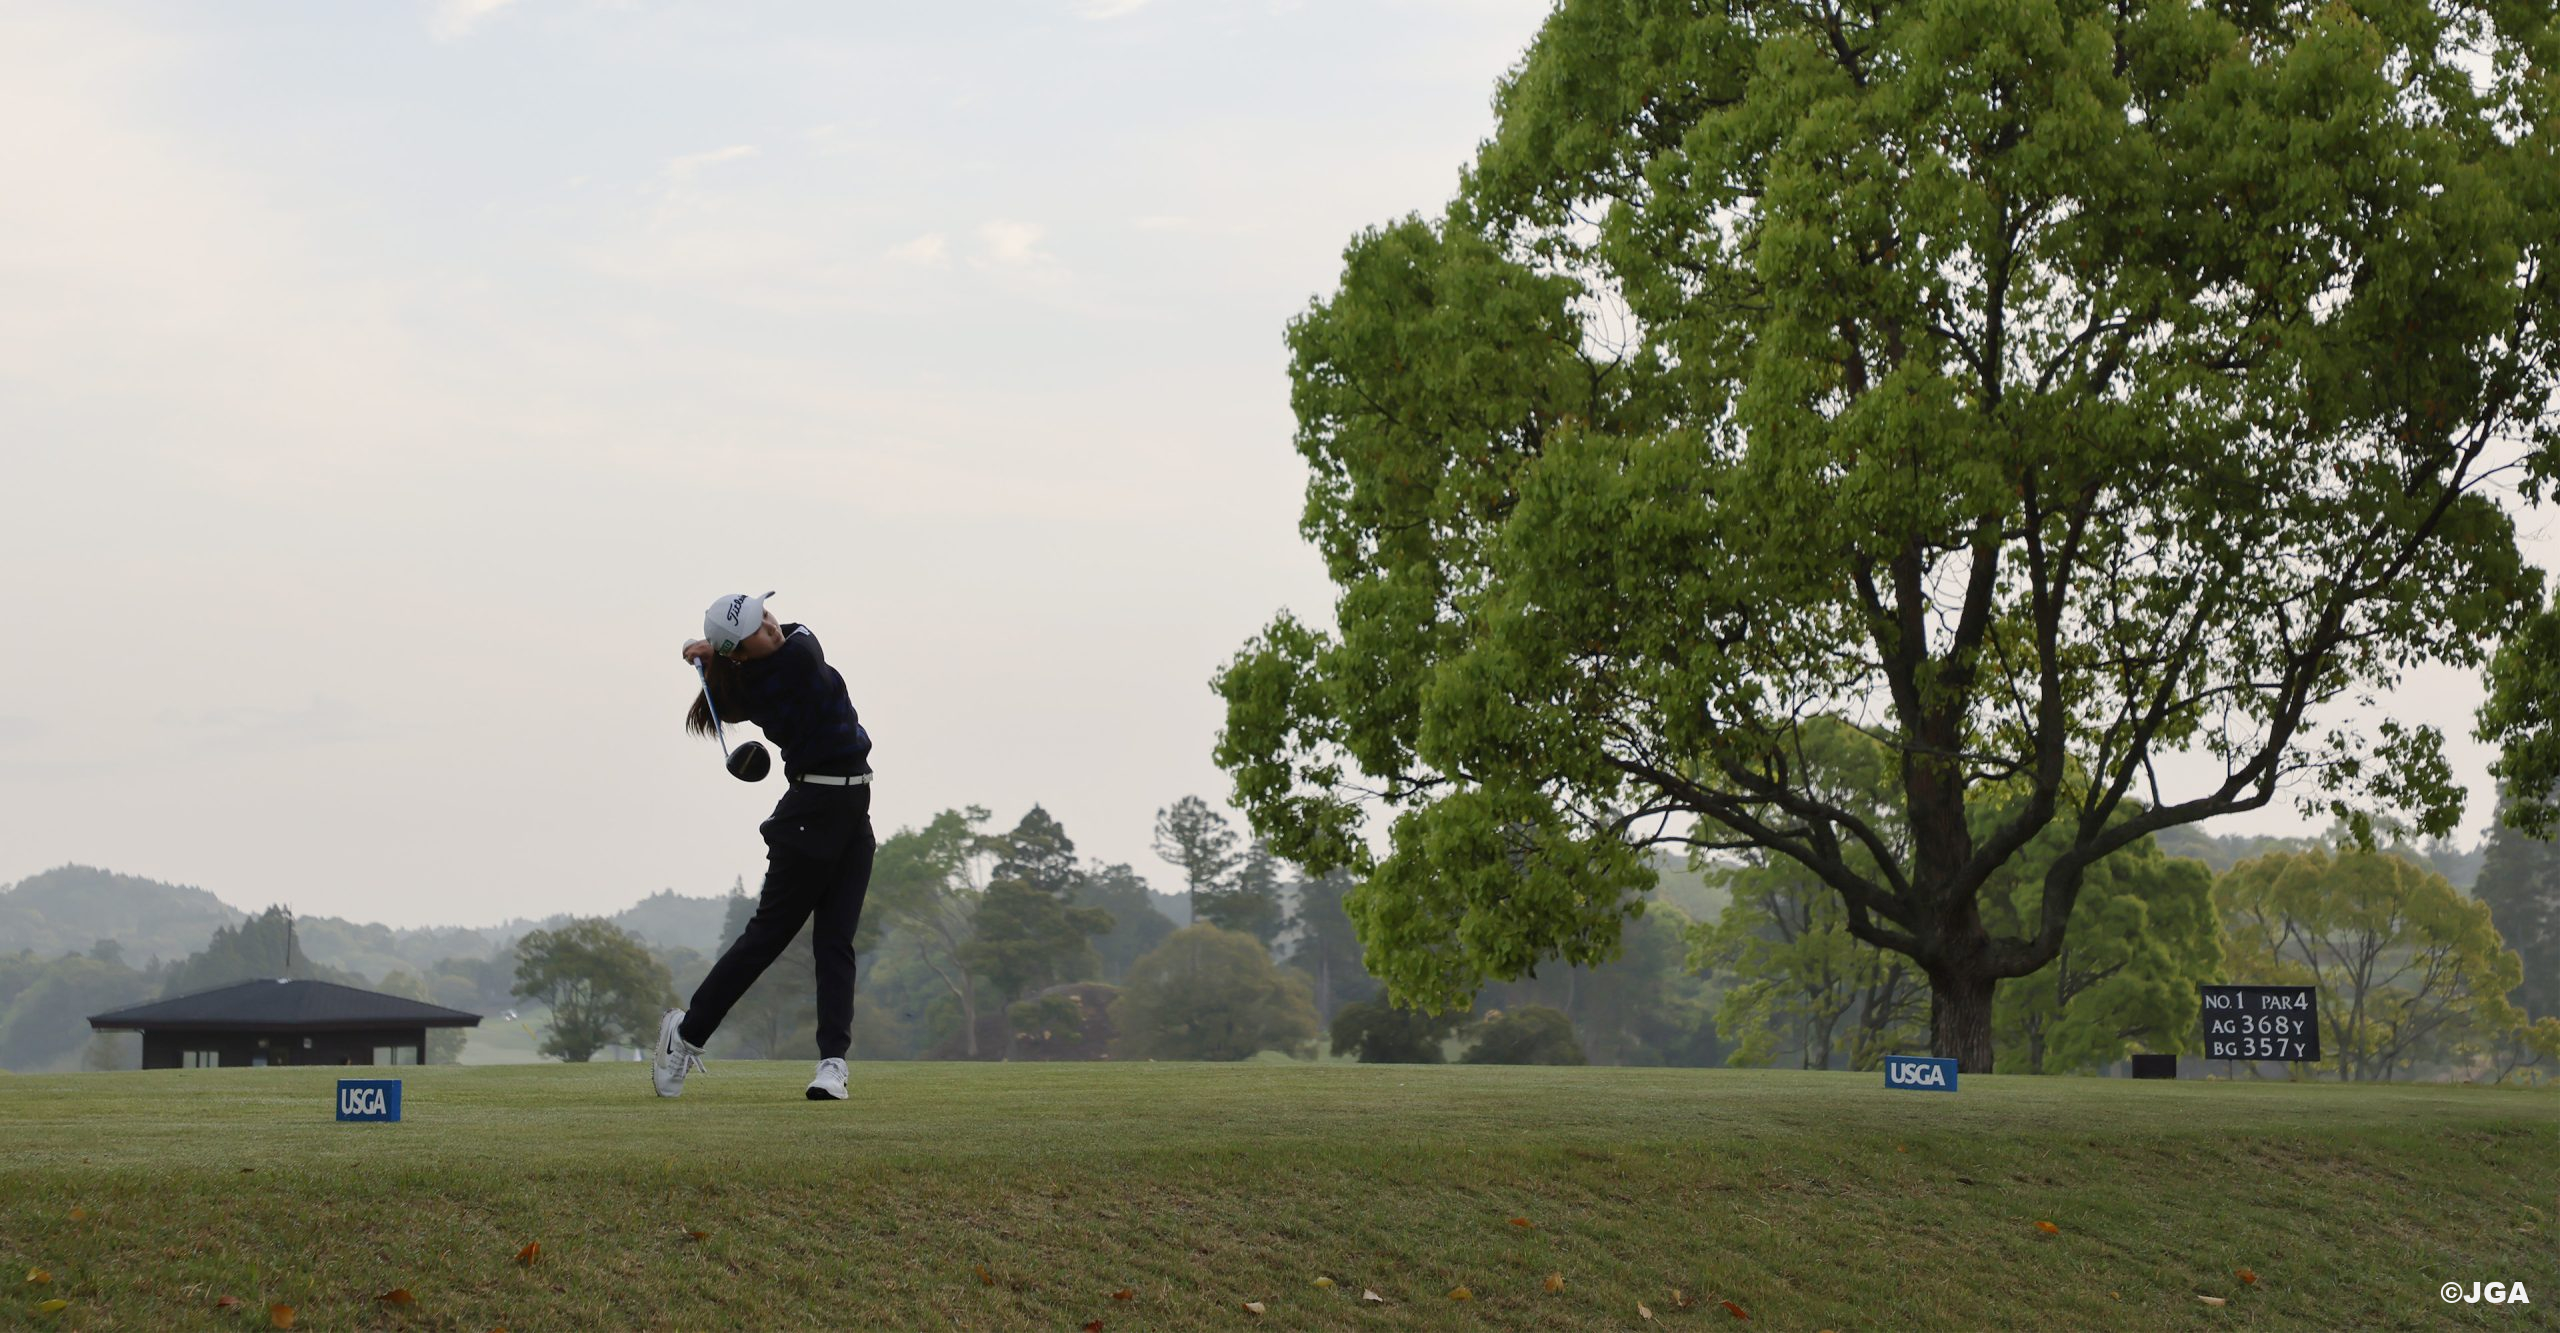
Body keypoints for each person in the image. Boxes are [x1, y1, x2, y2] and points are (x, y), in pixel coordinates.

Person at [655, 590, 876, 1101]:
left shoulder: (748, 676)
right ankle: (686, 1033)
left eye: (765, 615)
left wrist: (712, 654)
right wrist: (711, 654)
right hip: (810, 816)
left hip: (851, 811)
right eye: (755, 628)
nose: (772, 626)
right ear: (739, 652)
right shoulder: (794, 661)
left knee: (836, 942)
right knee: (768, 937)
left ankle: (832, 1064)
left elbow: (749, 654)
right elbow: (802, 637)